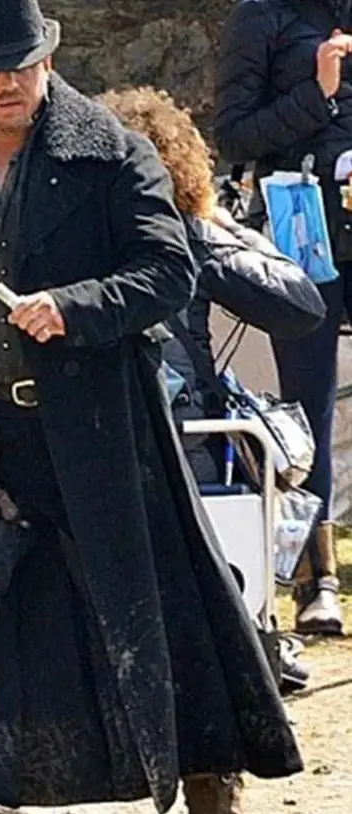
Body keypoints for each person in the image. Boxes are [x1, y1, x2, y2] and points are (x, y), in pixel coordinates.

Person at [0, 3, 303, 814]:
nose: (7, 84)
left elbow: (169, 271)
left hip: (101, 432)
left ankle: (214, 797)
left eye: (20, 66)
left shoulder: (114, 157)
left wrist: (75, 306)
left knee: (162, 608)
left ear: (47, 61)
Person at [99, 86, 326, 692]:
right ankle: (251, 633)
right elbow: (301, 305)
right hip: (189, 448)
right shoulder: (190, 236)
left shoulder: (69, 239)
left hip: (99, 439)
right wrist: (223, 225)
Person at [214, 0, 352, 636]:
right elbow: (234, 137)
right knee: (308, 400)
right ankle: (315, 577)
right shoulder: (261, 15)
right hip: (303, 226)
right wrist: (316, 93)